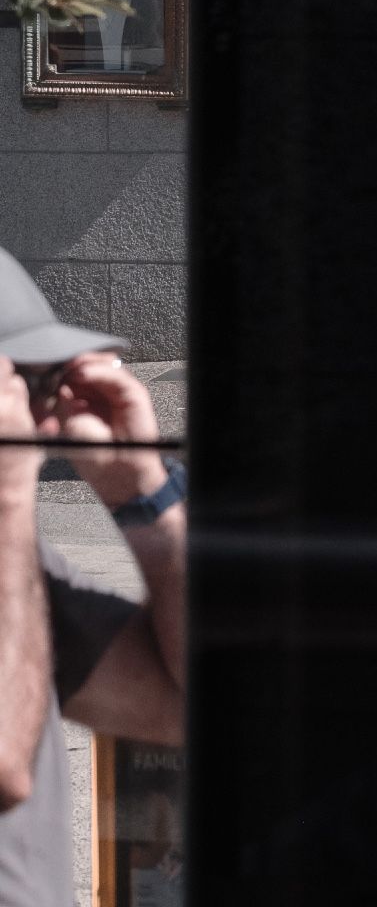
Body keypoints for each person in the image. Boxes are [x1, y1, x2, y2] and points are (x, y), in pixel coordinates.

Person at [0, 248, 185, 907]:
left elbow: (192, 700)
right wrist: (10, 493)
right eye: (27, 385)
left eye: (51, 384)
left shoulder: (19, 569)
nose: (46, 420)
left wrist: (143, 491)